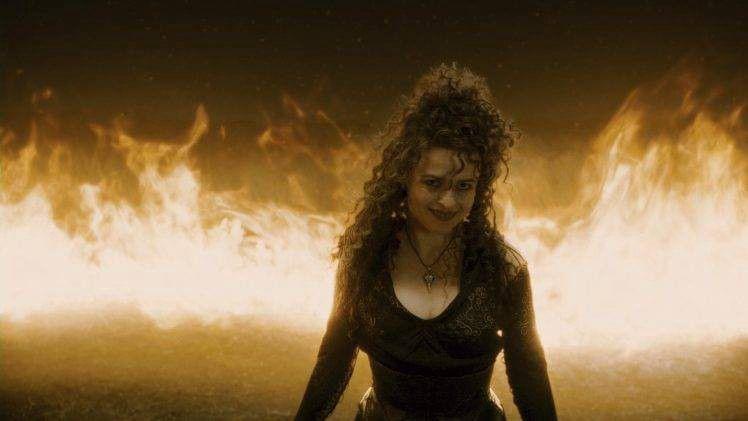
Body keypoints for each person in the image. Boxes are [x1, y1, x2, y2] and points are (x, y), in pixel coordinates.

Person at [295, 63, 557, 420]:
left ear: (479, 188)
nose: (448, 201)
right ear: (406, 176)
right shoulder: (366, 260)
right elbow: (334, 360)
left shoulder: (504, 270)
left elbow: (529, 375)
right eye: (433, 183)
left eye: (463, 186)